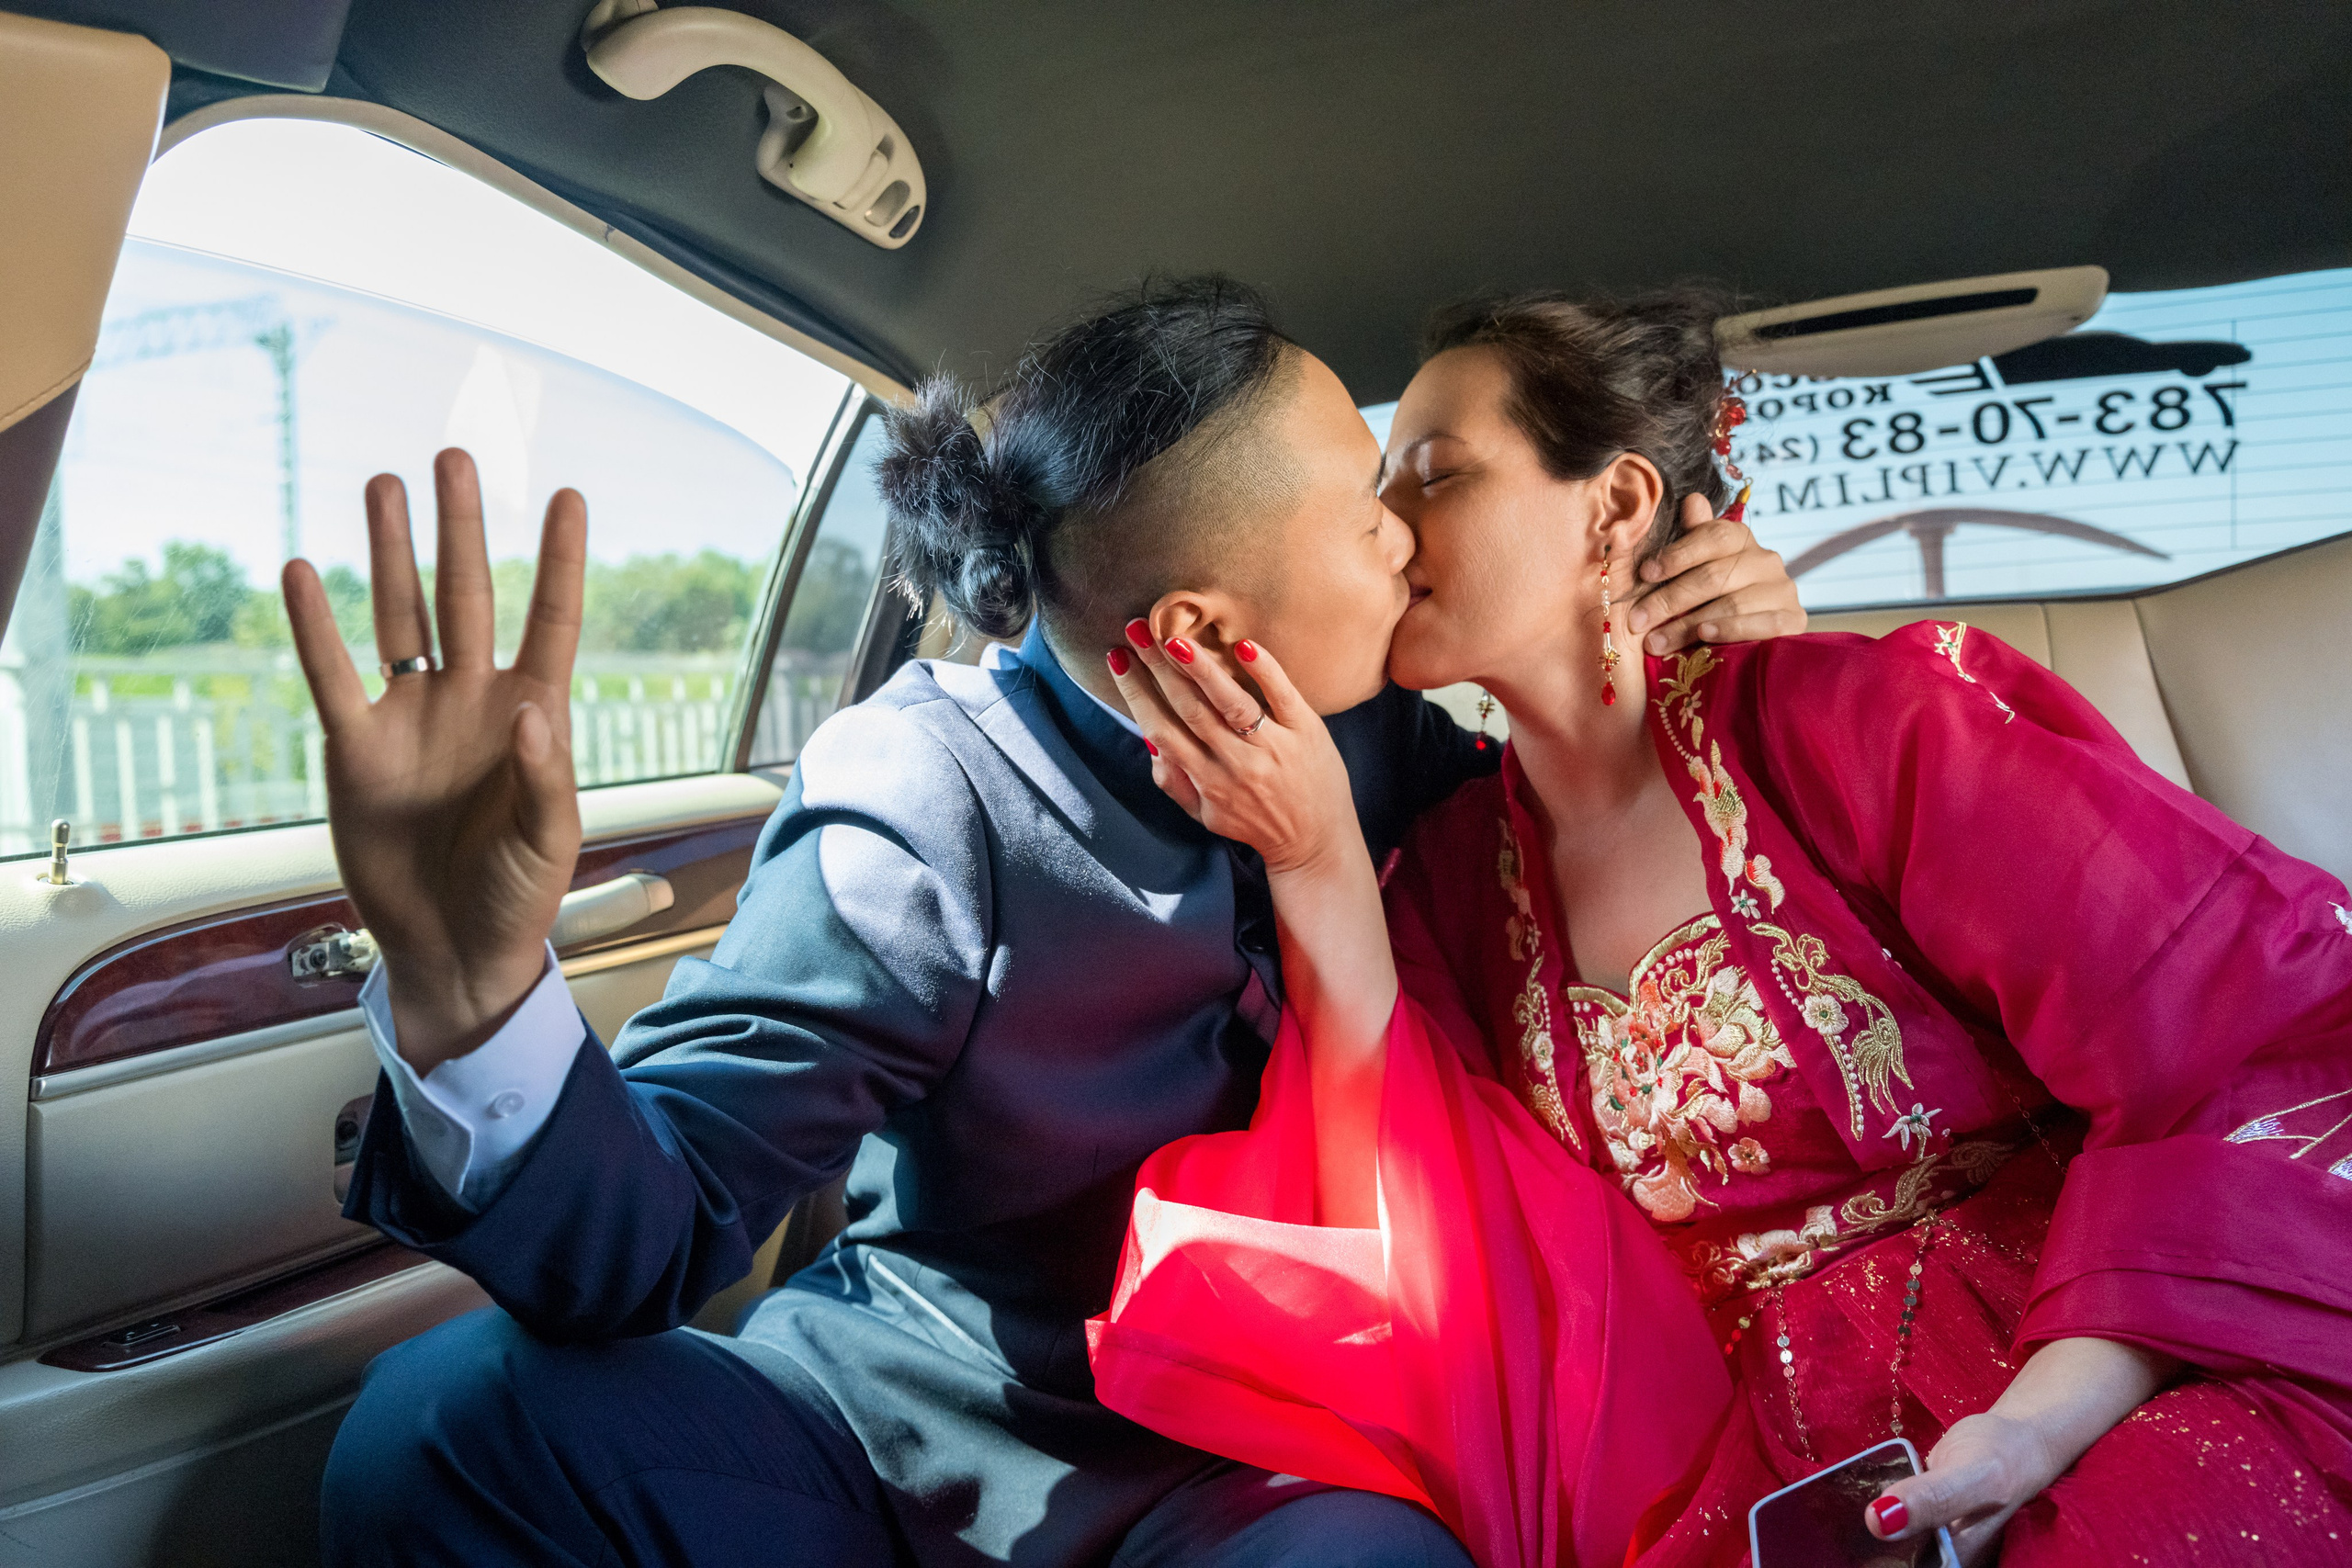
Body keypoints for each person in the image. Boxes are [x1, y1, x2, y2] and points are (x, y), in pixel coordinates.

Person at [295, 276, 1806, 1567]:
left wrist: (1722, 683)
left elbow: (1607, 883)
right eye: (1367, 515)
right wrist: (470, 985)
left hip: (1242, 1475)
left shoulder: (1379, 738)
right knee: (449, 1420)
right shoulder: (921, 799)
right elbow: (652, 1233)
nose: (1408, 539)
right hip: (902, 1446)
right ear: (1205, 631)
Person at [1085, 289, 2352, 1567]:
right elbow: (1404, 1196)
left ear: (1617, 507)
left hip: (2092, 1368)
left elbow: (2242, 1036)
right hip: (1731, 1463)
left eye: (1437, 475)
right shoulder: (1452, 875)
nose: (1392, 528)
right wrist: (1312, 860)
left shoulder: (1859, 727)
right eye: (1377, 492)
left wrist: (2032, 1429)